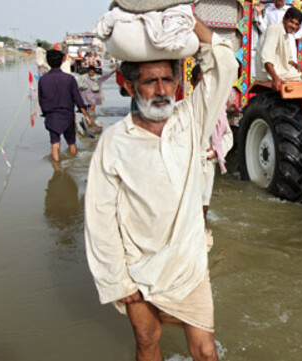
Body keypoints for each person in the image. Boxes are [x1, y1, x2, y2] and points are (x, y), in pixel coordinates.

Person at [84, 18, 237, 361]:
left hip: (189, 264)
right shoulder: (114, 142)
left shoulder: (191, 119)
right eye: (150, 81)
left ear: (178, 82)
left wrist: (189, 19)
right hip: (138, 270)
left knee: (206, 351)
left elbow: (225, 64)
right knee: (148, 341)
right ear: (128, 86)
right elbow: (100, 218)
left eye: (168, 79)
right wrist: (119, 281)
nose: (161, 90)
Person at [190, 65, 234, 221]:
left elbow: (228, 135)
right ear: (192, 83)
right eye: (201, 84)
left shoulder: (218, 109)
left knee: (203, 206)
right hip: (190, 163)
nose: (206, 89)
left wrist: (216, 151)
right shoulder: (186, 109)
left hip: (209, 162)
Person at [38, 49, 91, 169]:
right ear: (62, 61)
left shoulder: (42, 80)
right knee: (72, 143)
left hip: (52, 116)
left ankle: (57, 169)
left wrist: (46, 114)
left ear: (47, 61)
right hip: (67, 115)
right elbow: (77, 98)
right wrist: (86, 115)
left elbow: (41, 100)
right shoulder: (69, 78)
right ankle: (74, 165)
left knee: (55, 143)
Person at [256, 6, 302, 90]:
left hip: (279, 71)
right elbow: (266, 59)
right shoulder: (275, 29)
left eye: (296, 24)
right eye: (291, 22)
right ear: (284, 19)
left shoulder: (286, 34)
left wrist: (299, 67)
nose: (293, 26)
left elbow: (288, 59)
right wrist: (275, 78)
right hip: (271, 73)